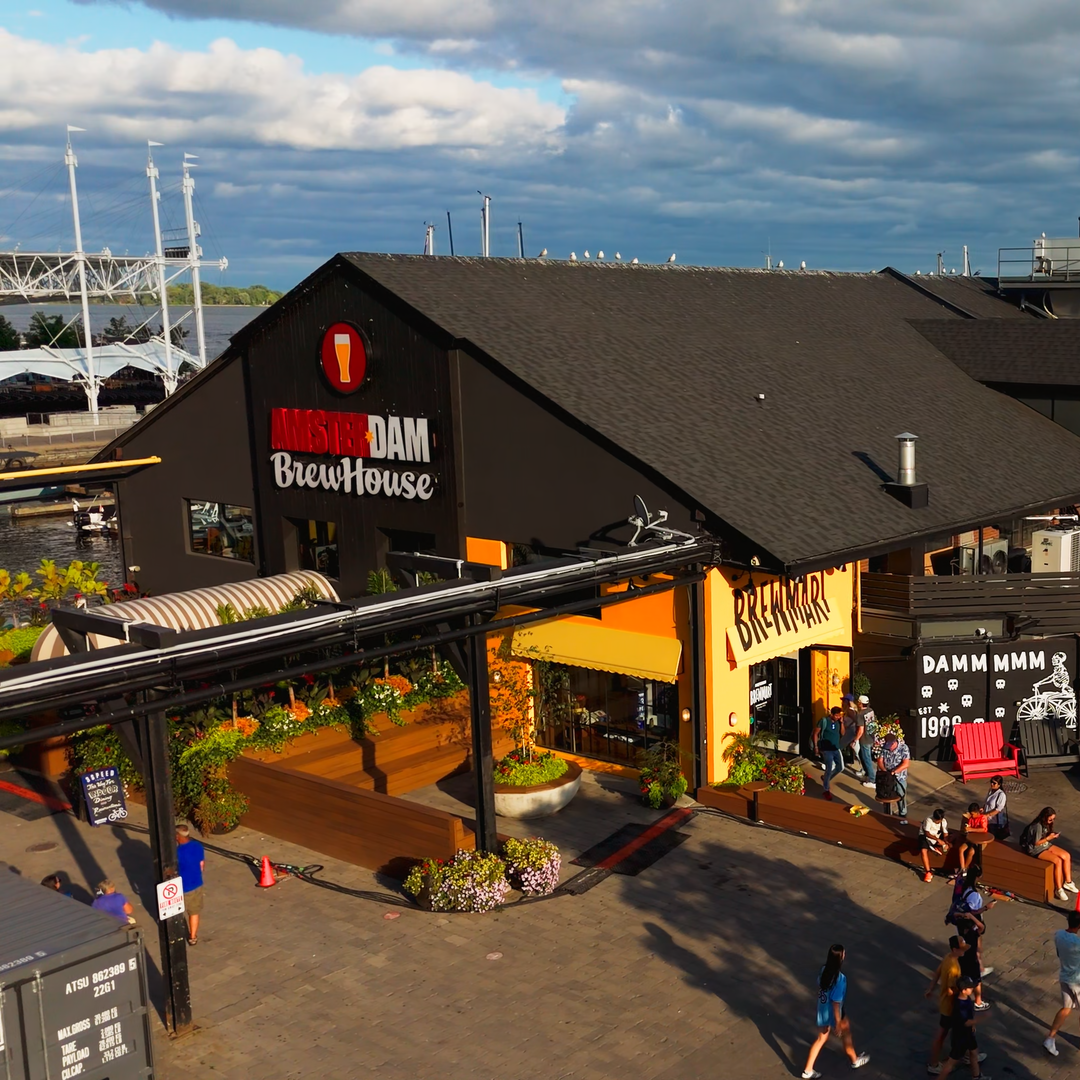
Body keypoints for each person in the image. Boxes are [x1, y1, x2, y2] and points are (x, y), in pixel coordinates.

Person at [801, 943, 870, 1078]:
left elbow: (820, 987)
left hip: (822, 1009)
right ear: (841, 957)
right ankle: (855, 1060)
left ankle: (808, 1070)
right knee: (847, 1035)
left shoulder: (823, 970)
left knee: (821, 1038)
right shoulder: (840, 979)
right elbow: (836, 1003)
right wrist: (838, 1023)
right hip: (835, 1013)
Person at [925, 935, 972, 1074]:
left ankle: (967, 1055)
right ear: (954, 949)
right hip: (950, 1006)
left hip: (947, 1004)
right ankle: (934, 1064)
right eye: (961, 949)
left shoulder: (948, 957)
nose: (964, 951)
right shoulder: (952, 968)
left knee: (959, 1032)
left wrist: (930, 988)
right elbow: (951, 990)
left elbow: (937, 972)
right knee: (943, 1034)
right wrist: (963, 992)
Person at [951, 866, 995, 1011]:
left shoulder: (963, 887)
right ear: (978, 876)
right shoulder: (974, 895)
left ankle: (962, 991)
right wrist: (986, 908)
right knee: (975, 972)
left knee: (964, 964)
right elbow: (974, 914)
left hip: (963, 930)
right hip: (972, 931)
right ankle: (978, 1001)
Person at [935, 978, 990, 1080]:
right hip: (961, 1037)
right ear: (963, 990)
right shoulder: (961, 1005)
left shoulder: (964, 998)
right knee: (951, 1062)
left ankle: (976, 1076)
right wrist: (981, 1018)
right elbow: (966, 1022)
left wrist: (973, 1025)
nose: (972, 989)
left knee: (973, 1053)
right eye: (969, 988)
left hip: (968, 1034)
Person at [1020, 807, 1077, 902]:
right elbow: (1036, 843)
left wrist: (1051, 836)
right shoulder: (1037, 826)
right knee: (1057, 861)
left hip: (1045, 845)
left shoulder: (1045, 824)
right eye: (1050, 819)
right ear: (1045, 817)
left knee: (1066, 855)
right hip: (1035, 849)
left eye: (1053, 819)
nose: (1052, 821)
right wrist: (1048, 838)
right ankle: (1059, 889)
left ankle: (1068, 882)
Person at [1045, 910, 1080, 1056]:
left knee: (1066, 1008)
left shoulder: (1058, 934)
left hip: (1064, 976)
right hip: (1077, 981)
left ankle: (1050, 1038)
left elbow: (1060, 953)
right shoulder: (1077, 943)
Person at [176, 822, 206, 946]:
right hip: (196, 883)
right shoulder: (197, 846)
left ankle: (175, 932)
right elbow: (202, 865)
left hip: (181, 886)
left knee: (176, 912)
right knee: (194, 911)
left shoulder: (177, 852)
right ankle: (192, 937)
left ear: (178, 836)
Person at [877, 730, 911, 823]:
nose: (889, 749)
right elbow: (880, 760)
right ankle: (887, 815)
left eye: (890, 746)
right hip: (887, 777)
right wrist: (884, 771)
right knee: (886, 795)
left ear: (894, 742)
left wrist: (894, 772)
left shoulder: (903, 748)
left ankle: (903, 816)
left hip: (899, 778)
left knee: (901, 796)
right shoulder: (884, 748)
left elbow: (906, 764)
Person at [814, 707, 845, 801]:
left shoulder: (838, 722)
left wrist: (842, 722)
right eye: (836, 715)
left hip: (836, 748)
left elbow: (843, 733)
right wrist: (816, 747)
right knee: (829, 767)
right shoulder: (824, 721)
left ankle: (826, 778)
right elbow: (816, 734)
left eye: (840, 715)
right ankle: (826, 790)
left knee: (840, 767)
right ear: (832, 714)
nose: (838, 717)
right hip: (826, 749)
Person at [920, 809, 950, 883]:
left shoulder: (943, 822)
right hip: (925, 836)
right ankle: (928, 872)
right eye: (935, 820)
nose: (937, 822)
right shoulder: (928, 820)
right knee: (923, 851)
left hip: (937, 836)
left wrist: (946, 842)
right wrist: (937, 840)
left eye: (938, 821)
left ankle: (934, 847)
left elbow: (945, 833)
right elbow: (927, 833)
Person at [961, 803, 990, 873]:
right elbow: (969, 828)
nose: (971, 816)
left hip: (981, 840)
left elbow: (984, 829)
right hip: (972, 839)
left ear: (977, 813)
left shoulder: (983, 818)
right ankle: (962, 868)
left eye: (972, 814)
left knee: (971, 852)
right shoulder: (971, 818)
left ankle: (965, 868)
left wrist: (970, 829)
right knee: (961, 849)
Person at [856, 694, 877, 789]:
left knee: (867, 759)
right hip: (871, 737)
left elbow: (860, 730)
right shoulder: (871, 711)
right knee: (864, 756)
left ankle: (872, 780)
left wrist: (855, 739)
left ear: (860, 703)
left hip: (865, 739)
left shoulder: (860, 715)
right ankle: (867, 774)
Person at [983, 776, 1009, 842]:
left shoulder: (1001, 795)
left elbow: (998, 809)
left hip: (994, 822)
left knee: (992, 840)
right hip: (987, 820)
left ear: (999, 785)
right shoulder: (990, 791)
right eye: (991, 782)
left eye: (994, 783)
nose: (992, 784)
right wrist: (983, 808)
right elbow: (987, 802)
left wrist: (987, 815)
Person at [841, 694, 862, 774]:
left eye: (843, 700)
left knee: (838, 747)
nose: (842, 702)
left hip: (850, 732)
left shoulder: (850, 711)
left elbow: (857, 721)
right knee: (857, 751)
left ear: (847, 701)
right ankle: (864, 770)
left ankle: (833, 765)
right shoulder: (851, 710)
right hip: (852, 732)